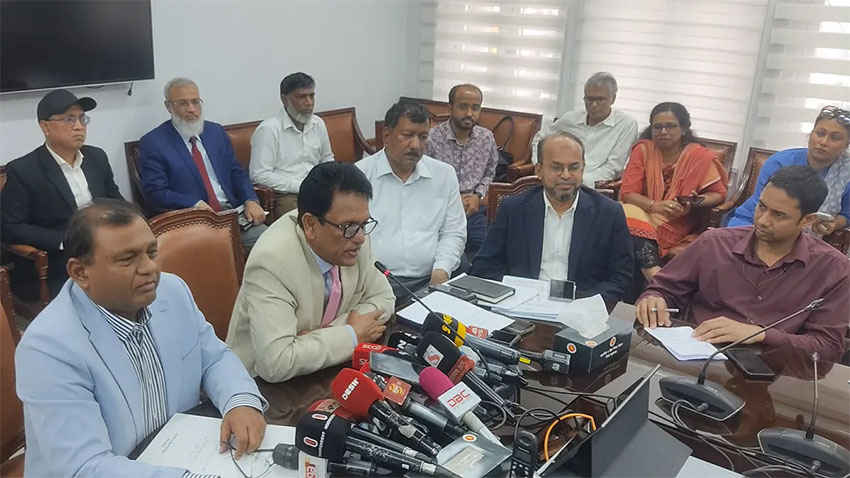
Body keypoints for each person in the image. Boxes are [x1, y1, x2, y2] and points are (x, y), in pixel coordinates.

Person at [15, 199, 268, 477]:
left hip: (182, 451)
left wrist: (240, 401)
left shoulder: (172, 291)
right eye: (127, 259)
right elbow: (84, 466)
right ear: (80, 272)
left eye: (152, 252)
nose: (149, 268)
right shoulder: (48, 348)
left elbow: (214, 359)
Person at [636, 166, 850, 362]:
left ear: (807, 220)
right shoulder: (714, 243)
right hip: (694, 356)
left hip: (774, 370)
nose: (763, 220)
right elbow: (663, 289)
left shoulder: (833, 268)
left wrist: (761, 334)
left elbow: (828, 347)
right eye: (762, 207)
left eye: (779, 215)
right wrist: (653, 299)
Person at [227, 162, 394, 383]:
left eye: (364, 224)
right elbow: (276, 363)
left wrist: (328, 334)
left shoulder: (354, 238)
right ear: (311, 225)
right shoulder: (271, 263)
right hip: (262, 387)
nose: (360, 237)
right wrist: (351, 335)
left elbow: (385, 298)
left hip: (324, 370)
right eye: (349, 227)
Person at [471, 132, 634, 308]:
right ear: (539, 170)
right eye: (556, 168)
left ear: (583, 169)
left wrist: (587, 305)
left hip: (582, 308)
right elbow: (484, 265)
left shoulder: (609, 213)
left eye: (574, 167)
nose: (566, 175)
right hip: (520, 305)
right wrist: (512, 296)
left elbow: (621, 276)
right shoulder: (513, 208)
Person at [0, 89, 123, 300]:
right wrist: (63, 241)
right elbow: (9, 227)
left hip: (105, 248)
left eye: (82, 118)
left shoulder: (96, 157)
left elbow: (115, 201)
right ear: (45, 127)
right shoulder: (23, 170)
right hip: (58, 262)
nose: (79, 126)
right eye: (69, 119)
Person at [138, 77, 267, 249]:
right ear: (168, 106)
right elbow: (156, 192)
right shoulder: (154, 143)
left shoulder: (215, 132)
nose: (191, 109)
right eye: (183, 103)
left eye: (195, 102)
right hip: (192, 221)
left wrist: (250, 200)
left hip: (232, 214)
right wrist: (195, 204)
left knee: (271, 243)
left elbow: (236, 172)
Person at [357, 100, 467, 300]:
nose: (416, 145)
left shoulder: (444, 174)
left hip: (431, 279)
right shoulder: (359, 176)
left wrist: (441, 272)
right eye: (407, 135)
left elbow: (454, 232)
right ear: (387, 136)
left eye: (423, 137)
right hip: (375, 282)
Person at [619, 102, 729, 280]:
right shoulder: (643, 150)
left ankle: (650, 280)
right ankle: (654, 274)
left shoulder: (699, 156)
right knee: (623, 212)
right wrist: (654, 206)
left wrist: (695, 200)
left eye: (670, 126)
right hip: (642, 210)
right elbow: (628, 193)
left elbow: (719, 194)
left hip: (676, 220)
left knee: (623, 222)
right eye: (657, 127)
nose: (663, 131)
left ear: (683, 129)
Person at [728, 106, 850, 241]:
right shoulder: (779, 162)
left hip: (808, 238)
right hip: (754, 223)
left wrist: (834, 224)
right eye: (820, 133)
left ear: (846, 145)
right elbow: (761, 206)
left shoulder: (846, 173)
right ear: (811, 135)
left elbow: (847, 215)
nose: (823, 142)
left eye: (835, 138)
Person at [249, 72, 334, 219]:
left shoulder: (318, 123)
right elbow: (259, 175)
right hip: (285, 194)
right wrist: (300, 186)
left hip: (318, 189)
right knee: (305, 221)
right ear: (284, 99)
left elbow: (327, 160)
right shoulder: (269, 130)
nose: (309, 102)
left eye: (311, 96)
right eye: (301, 97)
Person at [531, 72, 638, 186]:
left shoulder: (626, 124)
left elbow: (613, 168)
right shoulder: (571, 119)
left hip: (593, 186)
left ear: (613, 99)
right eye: (589, 99)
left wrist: (578, 179)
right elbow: (540, 138)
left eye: (600, 99)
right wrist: (541, 166)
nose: (594, 105)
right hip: (556, 179)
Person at [426, 84, 499, 253]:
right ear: (450, 108)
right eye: (463, 107)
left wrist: (478, 196)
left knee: (486, 248)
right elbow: (425, 178)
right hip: (439, 210)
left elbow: (490, 172)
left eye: (475, 108)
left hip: (473, 210)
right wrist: (452, 199)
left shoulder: (486, 138)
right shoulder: (431, 138)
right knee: (439, 250)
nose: (469, 114)